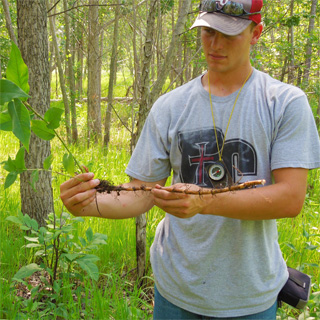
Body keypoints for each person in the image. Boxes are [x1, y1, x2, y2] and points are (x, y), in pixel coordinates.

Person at [60, 0, 320, 318]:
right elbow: (141, 194)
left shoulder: (283, 103)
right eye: (208, 31)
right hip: (176, 289)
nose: (215, 44)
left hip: (249, 294)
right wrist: (90, 204)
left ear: (256, 33)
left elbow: (290, 199)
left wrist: (205, 203)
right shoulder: (171, 107)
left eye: (229, 34)